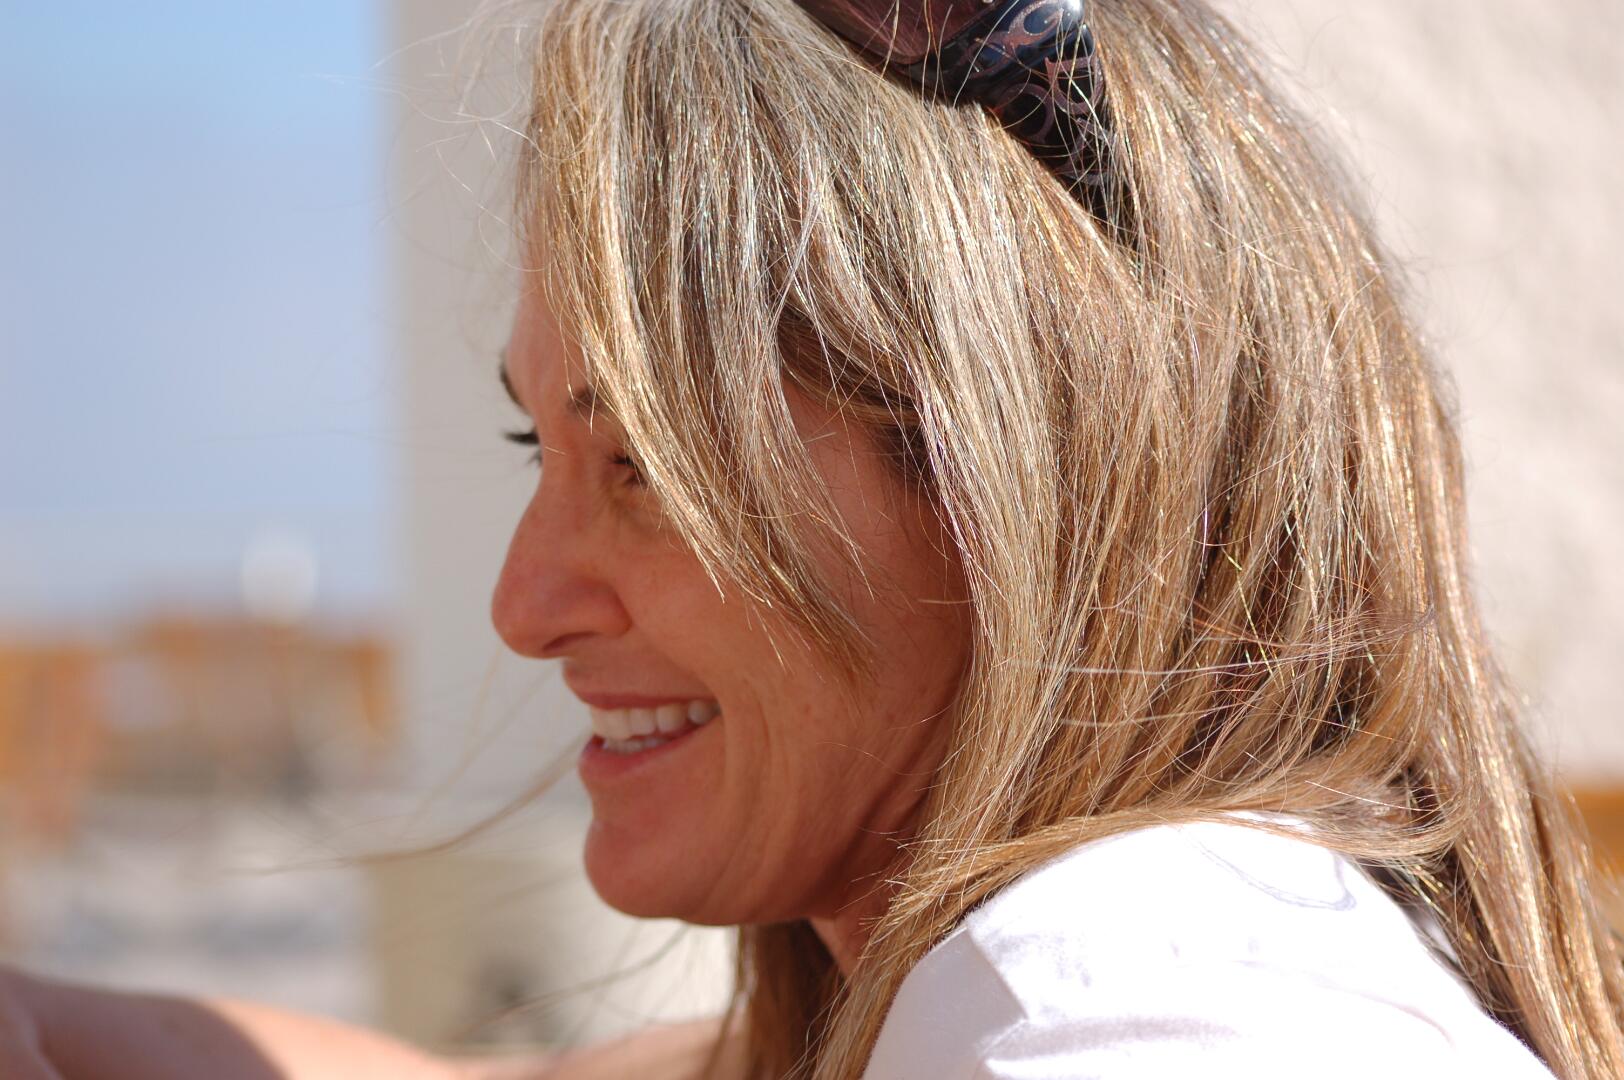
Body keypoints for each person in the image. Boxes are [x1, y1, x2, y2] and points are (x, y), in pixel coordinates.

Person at [2, 0, 1622, 1076]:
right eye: (533, 445)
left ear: (1012, 487)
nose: (524, 603)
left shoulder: (1110, 1001)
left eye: (649, 464)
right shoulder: (1139, 955)